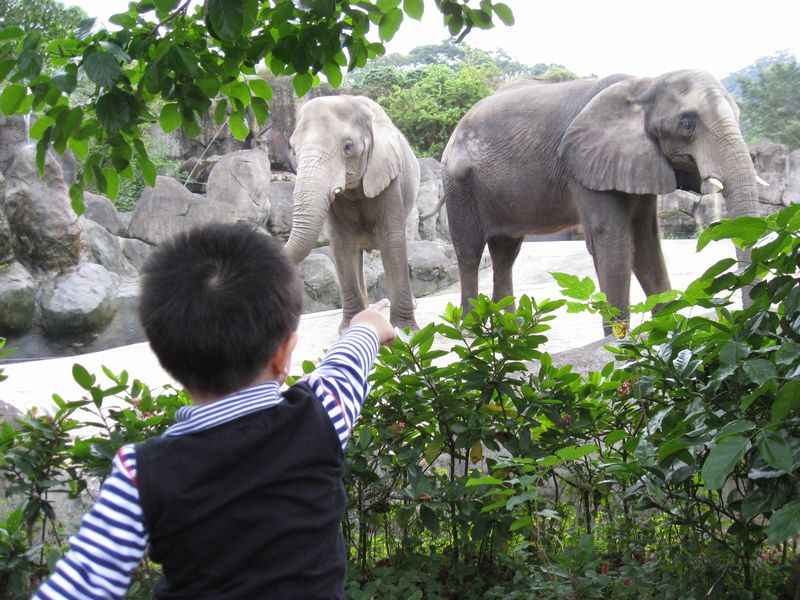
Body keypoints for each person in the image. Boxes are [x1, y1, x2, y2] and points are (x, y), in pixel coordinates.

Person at [34, 222, 396, 599]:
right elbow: (345, 364)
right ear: (284, 355)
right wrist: (365, 326)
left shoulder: (140, 473)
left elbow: (78, 586)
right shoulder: (321, 414)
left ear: (166, 358)